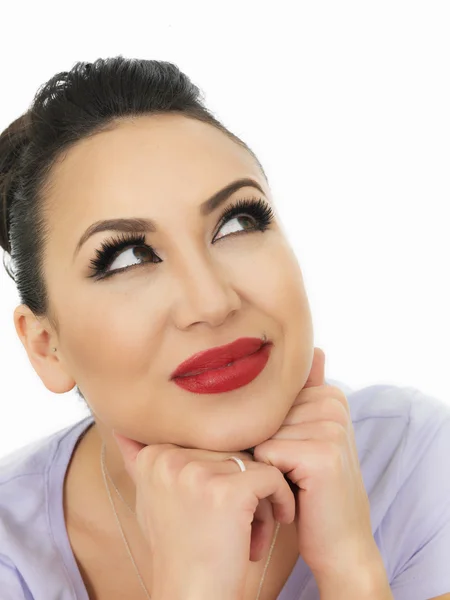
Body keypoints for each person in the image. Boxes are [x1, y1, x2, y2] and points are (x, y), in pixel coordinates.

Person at [0, 56, 449, 600]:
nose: (212, 302)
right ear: (47, 347)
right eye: (125, 257)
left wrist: (351, 566)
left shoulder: (418, 462)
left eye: (237, 221)